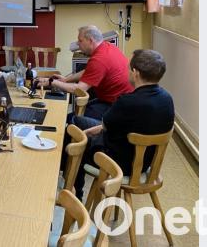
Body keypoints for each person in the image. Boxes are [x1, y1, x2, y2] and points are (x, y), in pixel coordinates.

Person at [67, 49, 174, 200]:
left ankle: (74, 191)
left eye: (129, 69)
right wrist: (90, 131)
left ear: (135, 73)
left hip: (119, 163)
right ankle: (72, 187)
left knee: (75, 135)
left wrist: (85, 135)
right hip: (145, 162)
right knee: (78, 121)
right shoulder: (167, 98)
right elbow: (106, 126)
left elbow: (106, 128)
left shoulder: (126, 101)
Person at [40, 25, 133, 120]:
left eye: (80, 40)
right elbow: (90, 71)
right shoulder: (107, 47)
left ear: (91, 41)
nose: (78, 44)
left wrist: (52, 82)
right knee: (72, 115)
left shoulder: (99, 59)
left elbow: (80, 89)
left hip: (115, 106)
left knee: (70, 120)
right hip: (118, 100)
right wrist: (66, 79)